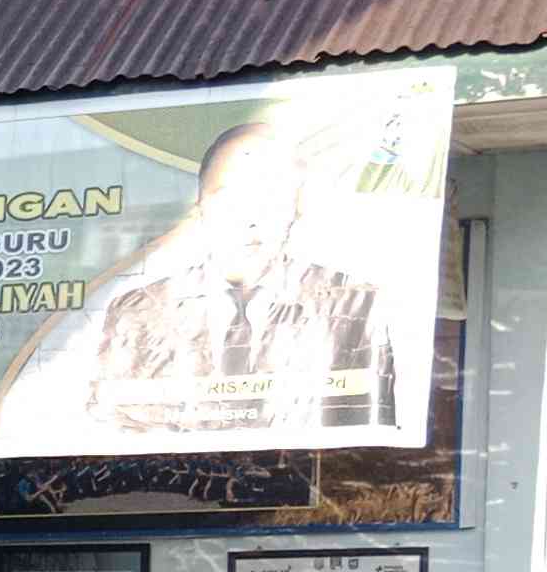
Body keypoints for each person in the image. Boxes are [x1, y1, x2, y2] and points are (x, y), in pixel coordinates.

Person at [75, 122, 393, 437]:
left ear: (296, 207)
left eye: (270, 198)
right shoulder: (137, 312)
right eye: (230, 199)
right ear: (199, 206)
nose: (250, 219)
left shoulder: (354, 304)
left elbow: (371, 435)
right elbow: (109, 434)